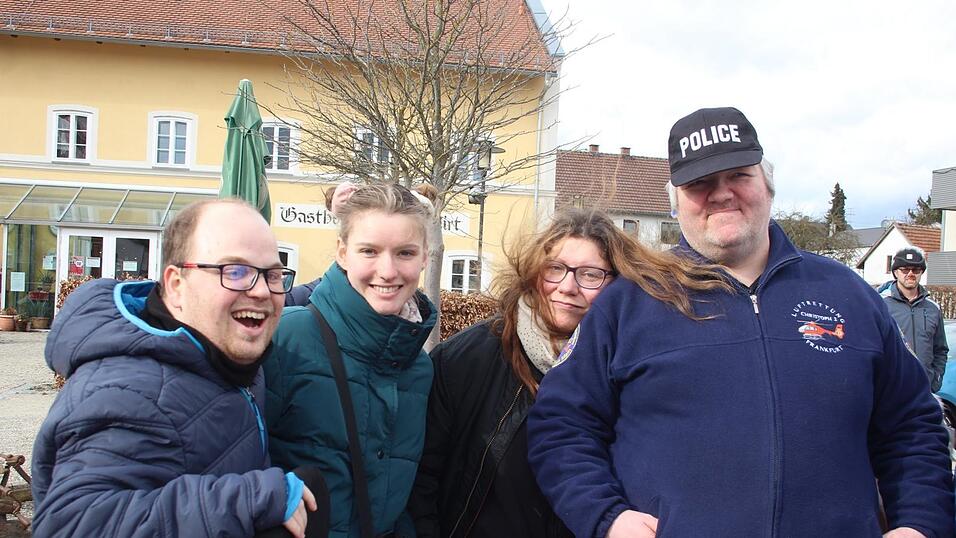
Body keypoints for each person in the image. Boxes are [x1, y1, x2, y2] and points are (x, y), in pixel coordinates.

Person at [527, 107, 955, 537]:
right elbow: (561, 426)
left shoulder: (851, 296)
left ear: (768, 186)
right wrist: (608, 518)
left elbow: (913, 427)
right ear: (675, 203)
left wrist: (919, 523)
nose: (721, 193)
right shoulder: (629, 303)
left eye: (738, 175)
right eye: (699, 183)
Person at [407, 208, 727, 538]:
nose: (567, 286)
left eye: (590, 275)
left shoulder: (638, 369)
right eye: (555, 269)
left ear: (619, 284)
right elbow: (421, 481)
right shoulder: (465, 360)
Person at [31, 199, 319, 538]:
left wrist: (354, 269)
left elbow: (289, 297)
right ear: (177, 286)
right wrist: (253, 499)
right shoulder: (129, 392)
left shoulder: (212, 348)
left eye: (272, 274)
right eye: (234, 271)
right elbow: (71, 525)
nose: (260, 291)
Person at [265, 183, 437, 537]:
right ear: (343, 253)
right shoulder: (286, 339)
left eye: (405, 253)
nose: (387, 271)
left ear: (424, 257)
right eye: (369, 251)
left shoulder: (419, 368)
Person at [880, 247, 948, 392]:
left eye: (916, 270)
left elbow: (940, 349)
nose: (910, 274)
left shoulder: (933, 308)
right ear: (896, 272)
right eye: (905, 269)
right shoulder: (881, 305)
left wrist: (935, 380)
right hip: (891, 391)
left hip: (925, 390)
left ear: (922, 272)